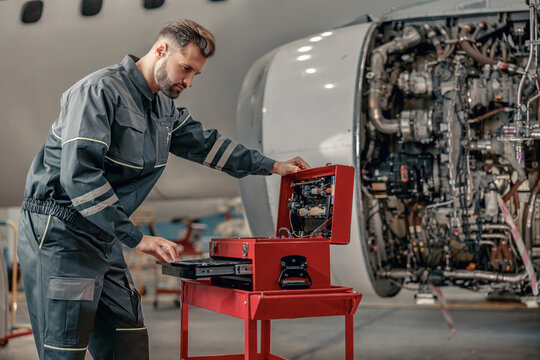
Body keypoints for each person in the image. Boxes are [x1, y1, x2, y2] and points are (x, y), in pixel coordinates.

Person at [17, 19, 310, 360]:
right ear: (160, 50)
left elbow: (207, 146)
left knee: (127, 340)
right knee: (64, 349)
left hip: (103, 233)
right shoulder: (98, 92)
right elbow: (80, 177)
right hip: (61, 235)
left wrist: (272, 166)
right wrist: (138, 238)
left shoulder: (163, 107)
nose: (188, 81)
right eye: (185, 68)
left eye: (195, 74)